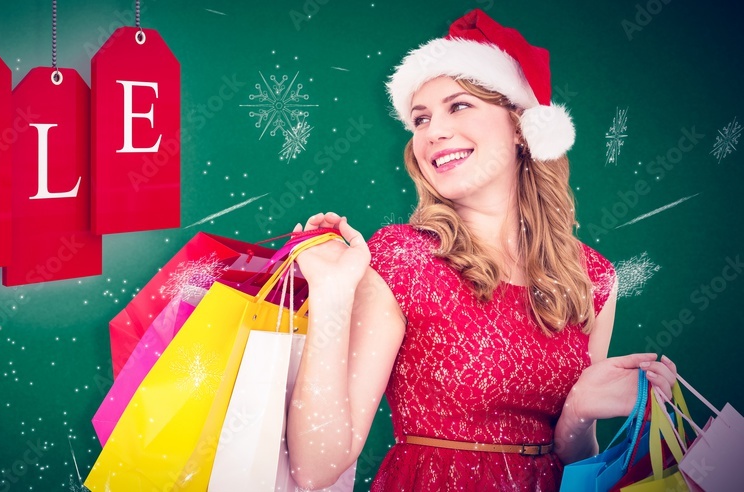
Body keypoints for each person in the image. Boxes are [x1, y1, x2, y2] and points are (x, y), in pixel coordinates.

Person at [284, 9, 678, 491]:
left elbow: (573, 460)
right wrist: (330, 296)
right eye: (420, 118)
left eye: (459, 106)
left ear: (520, 128)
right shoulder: (401, 258)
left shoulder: (592, 277)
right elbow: (315, 466)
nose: (433, 131)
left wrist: (579, 410)